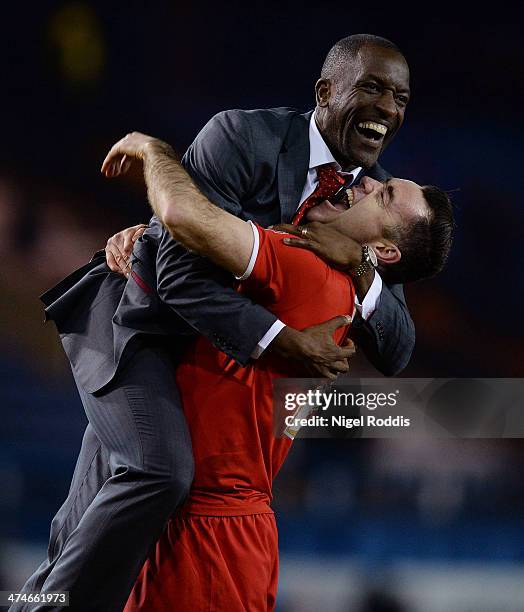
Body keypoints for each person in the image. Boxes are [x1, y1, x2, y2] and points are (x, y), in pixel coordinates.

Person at [13, 34, 414, 612]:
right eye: (372, 88)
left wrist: (361, 264)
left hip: (209, 369)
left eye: (400, 98)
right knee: (159, 471)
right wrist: (280, 342)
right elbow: (175, 271)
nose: (387, 109)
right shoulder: (243, 136)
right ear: (325, 91)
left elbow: (398, 346)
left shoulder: (370, 205)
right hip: (139, 329)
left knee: (89, 515)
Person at [95, 131, 453, 610]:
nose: (368, 182)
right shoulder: (335, 284)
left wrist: (154, 154)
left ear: (384, 252)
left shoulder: (306, 264)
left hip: (207, 536)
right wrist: (151, 241)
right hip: (227, 526)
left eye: (384, 196)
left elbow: (187, 218)